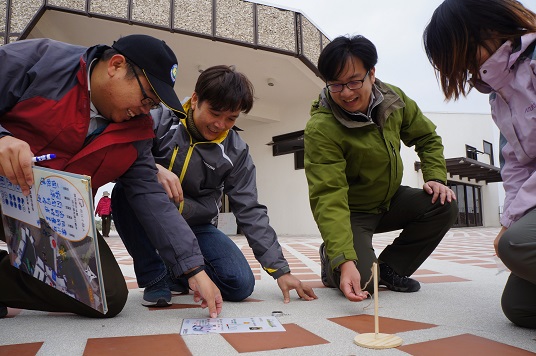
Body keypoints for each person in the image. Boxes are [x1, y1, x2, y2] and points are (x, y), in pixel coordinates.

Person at [0, 34, 222, 319]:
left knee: (105, 295)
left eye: (153, 105)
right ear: (116, 65)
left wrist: (193, 269)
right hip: (6, 191)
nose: (145, 110)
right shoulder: (40, 60)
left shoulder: (138, 133)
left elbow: (151, 199)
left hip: (54, 217)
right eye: (146, 98)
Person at [112, 65, 318, 307]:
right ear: (196, 99)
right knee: (123, 192)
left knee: (240, 284)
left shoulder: (236, 151)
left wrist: (281, 271)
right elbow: (121, 156)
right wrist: (152, 169)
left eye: (231, 118)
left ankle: (177, 271)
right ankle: (155, 276)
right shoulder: (160, 118)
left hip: (196, 225)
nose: (220, 124)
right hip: (151, 214)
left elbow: (250, 209)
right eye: (215, 113)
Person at [303, 35, 459, 303]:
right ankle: (332, 258)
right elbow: (328, 195)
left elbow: (427, 137)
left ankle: (390, 268)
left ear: (372, 73)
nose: (347, 93)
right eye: (336, 85)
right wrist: (344, 258)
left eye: (354, 81)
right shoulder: (321, 128)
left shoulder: (394, 99)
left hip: (389, 200)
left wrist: (435, 177)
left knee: (443, 203)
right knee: (363, 283)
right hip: (352, 212)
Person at [423, 0, 536, 328]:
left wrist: (513, 225)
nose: (464, 69)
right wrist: (509, 218)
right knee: (519, 307)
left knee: (517, 244)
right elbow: (514, 164)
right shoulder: (499, 96)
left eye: (461, 55)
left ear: (487, 28)